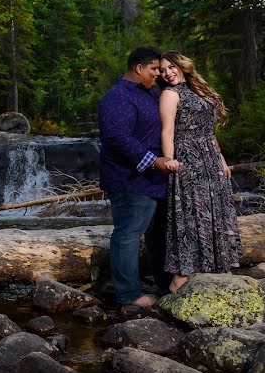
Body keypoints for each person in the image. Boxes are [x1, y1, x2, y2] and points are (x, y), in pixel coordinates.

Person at [98, 47, 180, 307]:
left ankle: (164, 283)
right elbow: (116, 137)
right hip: (129, 180)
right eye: (154, 69)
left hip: (155, 180)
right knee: (128, 235)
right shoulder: (118, 97)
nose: (158, 74)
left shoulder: (150, 93)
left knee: (159, 235)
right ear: (139, 68)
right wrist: (153, 161)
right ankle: (129, 294)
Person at [159, 51, 243, 293]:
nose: (167, 73)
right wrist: (169, 159)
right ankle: (180, 278)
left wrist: (222, 160)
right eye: (163, 70)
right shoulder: (169, 94)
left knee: (214, 212)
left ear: (182, 66)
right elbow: (167, 132)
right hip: (188, 161)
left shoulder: (199, 89)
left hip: (210, 160)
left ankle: (214, 268)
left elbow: (209, 132)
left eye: (171, 67)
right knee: (190, 215)